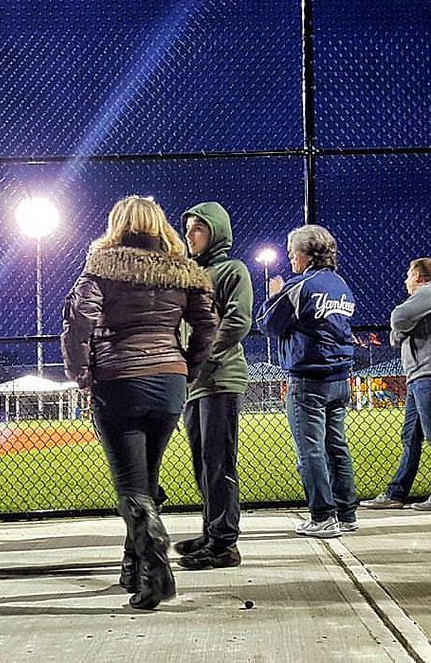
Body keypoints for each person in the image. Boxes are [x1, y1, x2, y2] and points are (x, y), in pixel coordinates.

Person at [62, 195, 218, 610]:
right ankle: (133, 567)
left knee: (131, 486)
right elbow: (208, 324)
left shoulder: (102, 265)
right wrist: (188, 367)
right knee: (146, 480)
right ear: (160, 224)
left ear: (118, 224)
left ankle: (155, 569)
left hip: (119, 381)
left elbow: (79, 319)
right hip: (169, 383)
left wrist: (80, 372)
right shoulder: (183, 269)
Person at [257, 224, 359, 538]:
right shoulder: (340, 284)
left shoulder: (300, 285)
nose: (291, 260)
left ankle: (322, 516)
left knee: (310, 451)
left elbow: (267, 324)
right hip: (340, 377)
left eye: (292, 253)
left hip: (308, 379)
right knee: (336, 446)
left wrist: (274, 294)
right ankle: (346, 513)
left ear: (305, 254)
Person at [175, 202, 253, 570]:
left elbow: (237, 320)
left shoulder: (231, 270)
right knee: (202, 462)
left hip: (220, 377)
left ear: (216, 232)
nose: (189, 235)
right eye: (188, 229)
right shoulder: (191, 274)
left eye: (198, 229)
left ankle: (224, 544)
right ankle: (211, 531)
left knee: (218, 461)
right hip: (195, 383)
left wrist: (200, 357)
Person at [362, 258, 431, 511]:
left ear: (417, 275)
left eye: (408, 275)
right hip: (421, 375)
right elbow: (397, 334)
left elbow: (398, 317)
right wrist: (402, 331)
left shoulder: (429, 292)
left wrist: (402, 330)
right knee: (411, 437)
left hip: (430, 375)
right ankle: (396, 493)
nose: (406, 281)